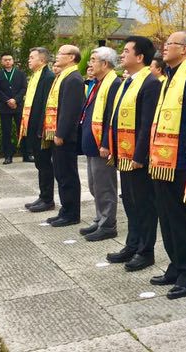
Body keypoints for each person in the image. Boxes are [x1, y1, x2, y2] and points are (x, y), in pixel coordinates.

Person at [149, 31, 186, 299]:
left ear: (183, 49)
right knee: (167, 217)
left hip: (181, 162)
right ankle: (175, 265)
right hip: (162, 160)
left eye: (169, 44)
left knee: (183, 222)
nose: (164, 48)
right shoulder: (169, 77)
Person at [104, 36, 162, 270]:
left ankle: (145, 251)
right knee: (129, 202)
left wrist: (139, 155)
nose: (122, 54)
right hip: (123, 155)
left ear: (140, 57)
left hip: (137, 159)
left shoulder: (150, 83)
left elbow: (147, 124)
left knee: (144, 206)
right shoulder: (127, 82)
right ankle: (132, 244)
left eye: (126, 51)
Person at [78, 47, 121, 242]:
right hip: (91, 143)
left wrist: (106, 143)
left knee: (105, 186)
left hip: (101, 145)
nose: (90, 63)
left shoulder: (113, 83)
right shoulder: (98, 83)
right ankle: (99, 218)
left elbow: (111, 116)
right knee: (95, 185)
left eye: (93, 60)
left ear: (105, 64)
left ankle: (108, 224)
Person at [42, 45, 84, 227]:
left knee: (68, 175)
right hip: (58, 135)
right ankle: (65, 210)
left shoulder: (73, 78)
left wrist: (61, 133)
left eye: (61, 54)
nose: (57, 56)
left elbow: (70, 110)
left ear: (72, 58)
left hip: (65, 137)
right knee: (60, 174)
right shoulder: (63, 76)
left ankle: (72, 214)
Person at [21, 48, 56, 211]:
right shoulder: (36, 76)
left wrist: (42, 128)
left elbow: (46, 106)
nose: (29, 60)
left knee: (44, 164)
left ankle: (48, 200)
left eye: (31, 57)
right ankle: (43, 196)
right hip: (32, 126)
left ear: (42, 60)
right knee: (40, 164)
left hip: (40, 129)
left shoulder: (48, 77)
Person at [0, 53, 27, 164]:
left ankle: (26, 154)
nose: (7, 61)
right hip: (5, 107)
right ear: (2, 62)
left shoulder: (20, 73)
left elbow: (23, 88)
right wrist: (8, 100)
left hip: (18, 106)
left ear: (13, 61)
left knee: (21, 130)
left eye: (9, 59)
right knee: (6, 132)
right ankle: (8, 155)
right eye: (5, 60)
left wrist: (15, 100)